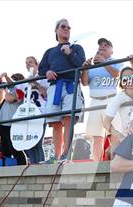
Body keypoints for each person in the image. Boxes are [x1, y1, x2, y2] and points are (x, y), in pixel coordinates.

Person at [38, 18, 85, 162]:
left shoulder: (77, 48)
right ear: (56, 30)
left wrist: (69, 53)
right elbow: (41, 69)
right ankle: (56, 156)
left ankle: (66, 154)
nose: (66, 29)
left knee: (68, 119)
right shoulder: (50, 51)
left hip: (71, 85)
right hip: (54, 87)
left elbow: (81, 66)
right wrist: (47, 73)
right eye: (63, 26)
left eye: (68, 27)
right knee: (55, 122)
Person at [81, 38, 122, 161]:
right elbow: (84, 82)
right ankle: (96, 165)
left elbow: (117, 74)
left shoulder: (116, 61)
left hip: (110, 100)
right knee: (96, 137)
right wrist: (85, 69)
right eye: (100, 45)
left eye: (106, 45)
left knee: (114, 134)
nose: (102, 47)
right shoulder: (93, 65)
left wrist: (105, 62)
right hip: (94, 102)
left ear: (111, 51)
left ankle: (115, 162)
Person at [102, 67, 133, 154]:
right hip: (129, 138)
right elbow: (106, 122)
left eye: (132, 77)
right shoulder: (119, 98)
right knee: (109, 153)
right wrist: (120, 136)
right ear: (122, 83)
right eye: (125, 79)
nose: (129, 81)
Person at [0, 73, 28, 165]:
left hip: (11, 124)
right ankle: (6, 168)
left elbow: (9, 98)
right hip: (3, 123)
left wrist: (5, 89)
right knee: (5, 149)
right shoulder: (11, 90)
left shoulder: (19, 91)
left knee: (15, 148)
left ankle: (22, 166)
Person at [24, 56, 48, 164]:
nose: (28, 64)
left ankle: (41, 166)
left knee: (37, 142)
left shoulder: (43, 78)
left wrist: (35, 83)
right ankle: (33, 165)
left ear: (37, 65)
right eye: (26, 63)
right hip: (27, 115)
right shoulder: (25, 82)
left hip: (39, 113)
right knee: (28, 142)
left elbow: (45, 93)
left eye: (31, 62)